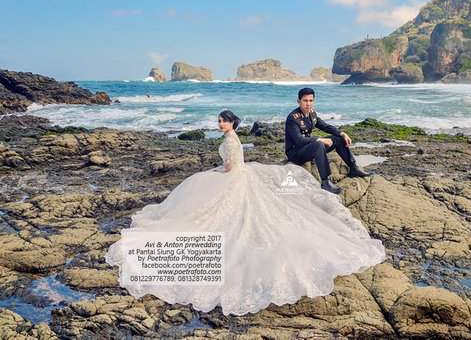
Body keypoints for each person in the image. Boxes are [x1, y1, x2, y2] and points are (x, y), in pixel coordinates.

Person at [105, 110, 386, 316]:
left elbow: (230, 166)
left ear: (231, 123)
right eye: (218, 120)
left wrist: (216, 173)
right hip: (241, 173)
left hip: (235, 176)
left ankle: (335, 175)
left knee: (218, 209)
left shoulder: (231, 140)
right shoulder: (232, 137)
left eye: (223, 121)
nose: (219, 124)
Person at [285, 87, 371, 194]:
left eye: (311, 101)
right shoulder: (292, 118)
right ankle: (325, 182)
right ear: (299, 101)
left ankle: (353, 168)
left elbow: (325, 126)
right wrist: (319, 139)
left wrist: (342, 133)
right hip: (296, 152)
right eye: (305, 101)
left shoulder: (311, 113)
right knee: (319, 145)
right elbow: (299, 140)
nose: (308, 104)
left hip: (308, 147)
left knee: (339, 139)